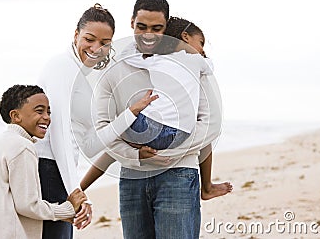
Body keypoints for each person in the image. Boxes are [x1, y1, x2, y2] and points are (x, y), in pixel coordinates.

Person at [75, 0, 222, 239]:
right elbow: (103, 128)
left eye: (157, 28)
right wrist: (135, 155)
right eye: (141, 26)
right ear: (131, 22)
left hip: (178, 173)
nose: (149, 35)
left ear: (167, 28)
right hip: (132, 176)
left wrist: (168, 152)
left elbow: (211, 124)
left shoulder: (188, 64)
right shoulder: (115, 68)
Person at [36, 3, 157, 238]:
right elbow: (59, 134)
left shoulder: (83, 75)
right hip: (45, 171)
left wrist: (130, 113)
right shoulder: (63, 67)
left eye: (104, 43)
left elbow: (89, 143)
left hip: (60, 172)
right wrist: (76, 191)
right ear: (76, 35)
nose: (95, 48)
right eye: (89, 39)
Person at [80, 16, 232, 200]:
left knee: (119, 131)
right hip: (173, 131)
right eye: (201, 43)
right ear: (185, 37)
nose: (202, 50)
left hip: (162, 138)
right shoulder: (190, 63)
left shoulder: (157, 61)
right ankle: (206, 186)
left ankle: (81, 187)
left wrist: (140, 153)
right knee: (119, 133)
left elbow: (133, 58)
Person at [0, 84, 86, 239]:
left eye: (48, 111)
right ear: (16, 116)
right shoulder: (23, 147)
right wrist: (68, 209)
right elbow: (28, 205)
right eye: (39, 111)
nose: (47, 117)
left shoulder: (4, 142)